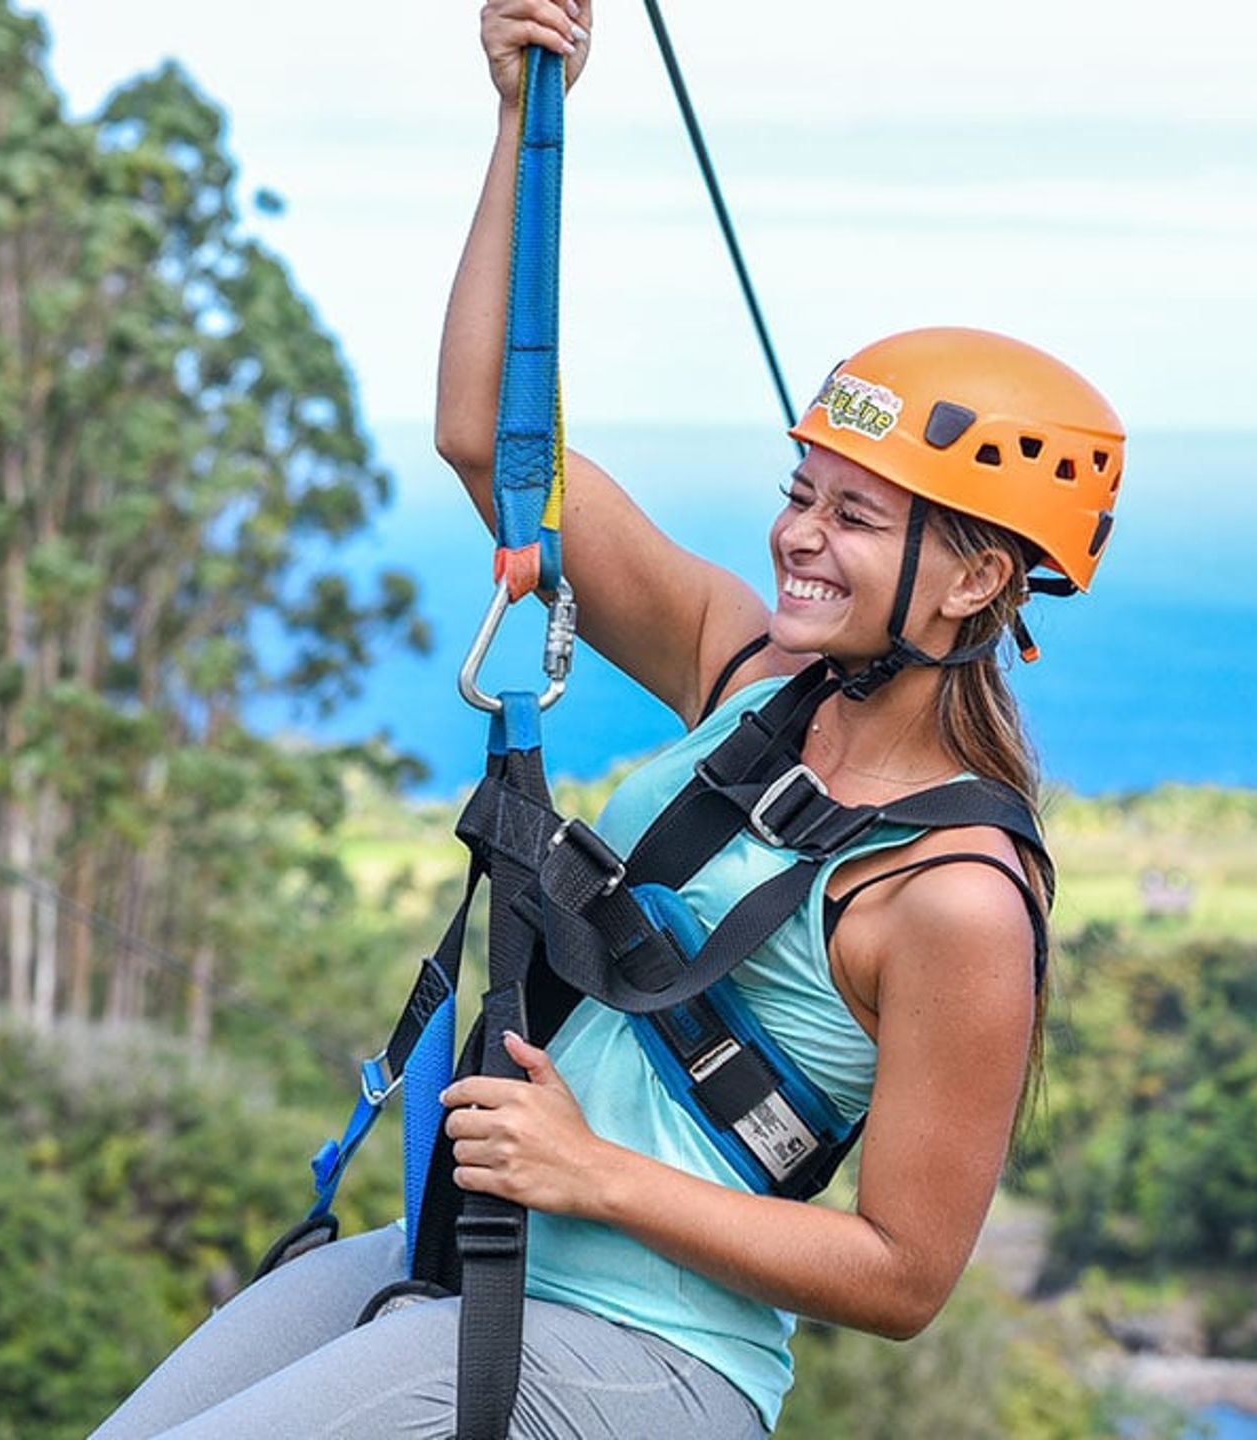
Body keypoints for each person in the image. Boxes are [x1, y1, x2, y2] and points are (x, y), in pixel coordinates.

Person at [89, 1, 1124, 1436]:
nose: (798, 541)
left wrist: (593, 1176)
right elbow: (487, 443)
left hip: (652, 1356)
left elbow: (903, 1275)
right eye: (800, 495)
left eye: (857, 517)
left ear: (973, 577)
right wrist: (526, 115)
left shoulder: (953, 900)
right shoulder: (751, 675)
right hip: (473, 1260)